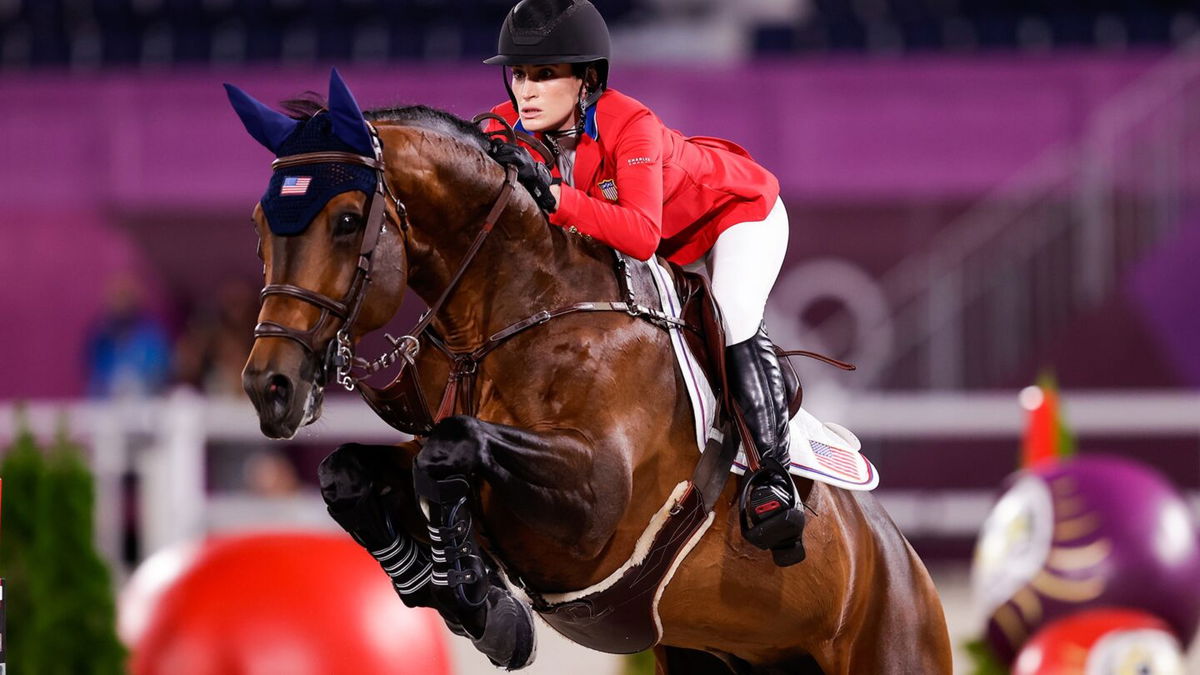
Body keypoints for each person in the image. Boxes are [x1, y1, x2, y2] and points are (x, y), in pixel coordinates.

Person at [481, 0, 805, 566]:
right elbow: (477, 146)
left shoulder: (631, 124)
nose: (525, 91)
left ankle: (772, 482)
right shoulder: (512, 121)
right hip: (674, 240)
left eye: (544, 74)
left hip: (738, 216)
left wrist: (556, 198)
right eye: (520, 74)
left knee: (729, 314)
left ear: (587, 80)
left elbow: (639, 236)